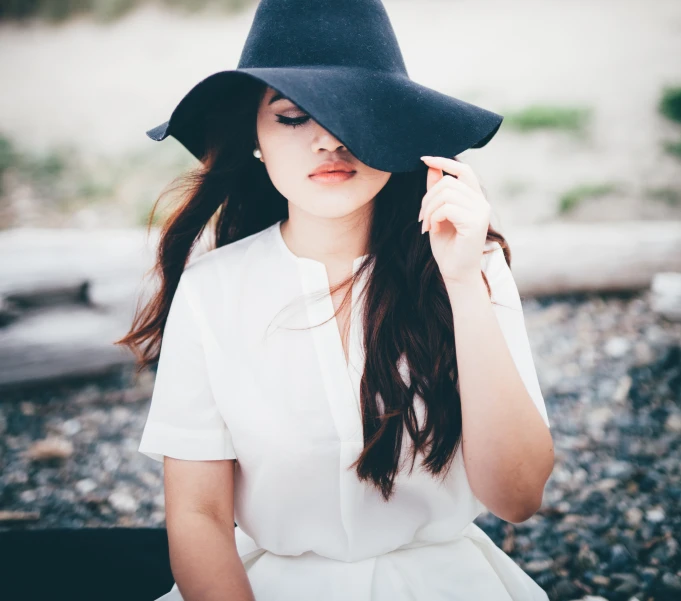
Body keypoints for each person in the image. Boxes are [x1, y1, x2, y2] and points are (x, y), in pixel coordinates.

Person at [119, 1, 555, 599]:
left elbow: (519, 496)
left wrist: (461, 286)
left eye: (355, 112)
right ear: (254, 138)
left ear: (397, 127)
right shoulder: (212, 291)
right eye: (292, 117)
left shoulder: (470, 266)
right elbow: (199, 517)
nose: (327, 138)